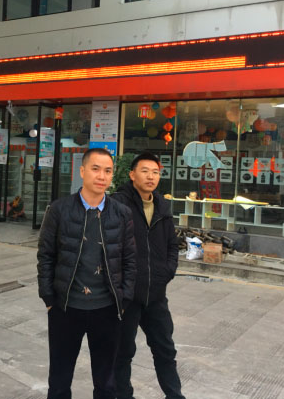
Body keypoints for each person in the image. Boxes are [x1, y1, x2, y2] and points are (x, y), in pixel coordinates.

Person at [37, 147, 137, 399]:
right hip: (66, 307)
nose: (102, 176)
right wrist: (49, 298)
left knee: (106, 383)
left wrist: (124, 298)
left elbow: (129, 259)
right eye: (95, 169)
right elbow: (46, 255)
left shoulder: (121, 213)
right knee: (59, 382)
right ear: (82, 171)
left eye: (108, 171)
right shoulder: (59, 210)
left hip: (107, 308)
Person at [111, 151, 185, 399]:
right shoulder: (118, 204)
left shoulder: (162, 205)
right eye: (145, 171)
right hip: (127, 297)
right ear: (132, 175)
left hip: (155, 296)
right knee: (122, 353)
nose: (151, 176)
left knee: (165, 350)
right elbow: (108, 246)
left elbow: (172, 245)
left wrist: (167, 271)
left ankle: (175, 395)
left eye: (155, 172)